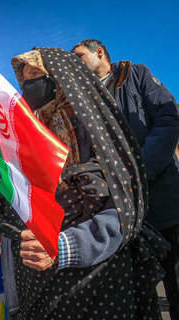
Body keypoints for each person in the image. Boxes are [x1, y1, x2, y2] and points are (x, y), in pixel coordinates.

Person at [0, 47, 168, 319]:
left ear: (61, 76)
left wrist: (64, 246)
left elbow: (120, 209)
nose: (28, 84)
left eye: (35, 73)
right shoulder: (25, 134)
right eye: (23, 79)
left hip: (100, 277)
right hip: (37, 275)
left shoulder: (98, 128)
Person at [72, 39, 179, 319]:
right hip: (121, 212)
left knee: (175, 281)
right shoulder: (82, 98)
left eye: (80, 57)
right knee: (138, 293)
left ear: (99, 52)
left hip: (163, 202)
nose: (75, 64)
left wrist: (139, 172)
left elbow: (168, 119)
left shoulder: (136, 75)